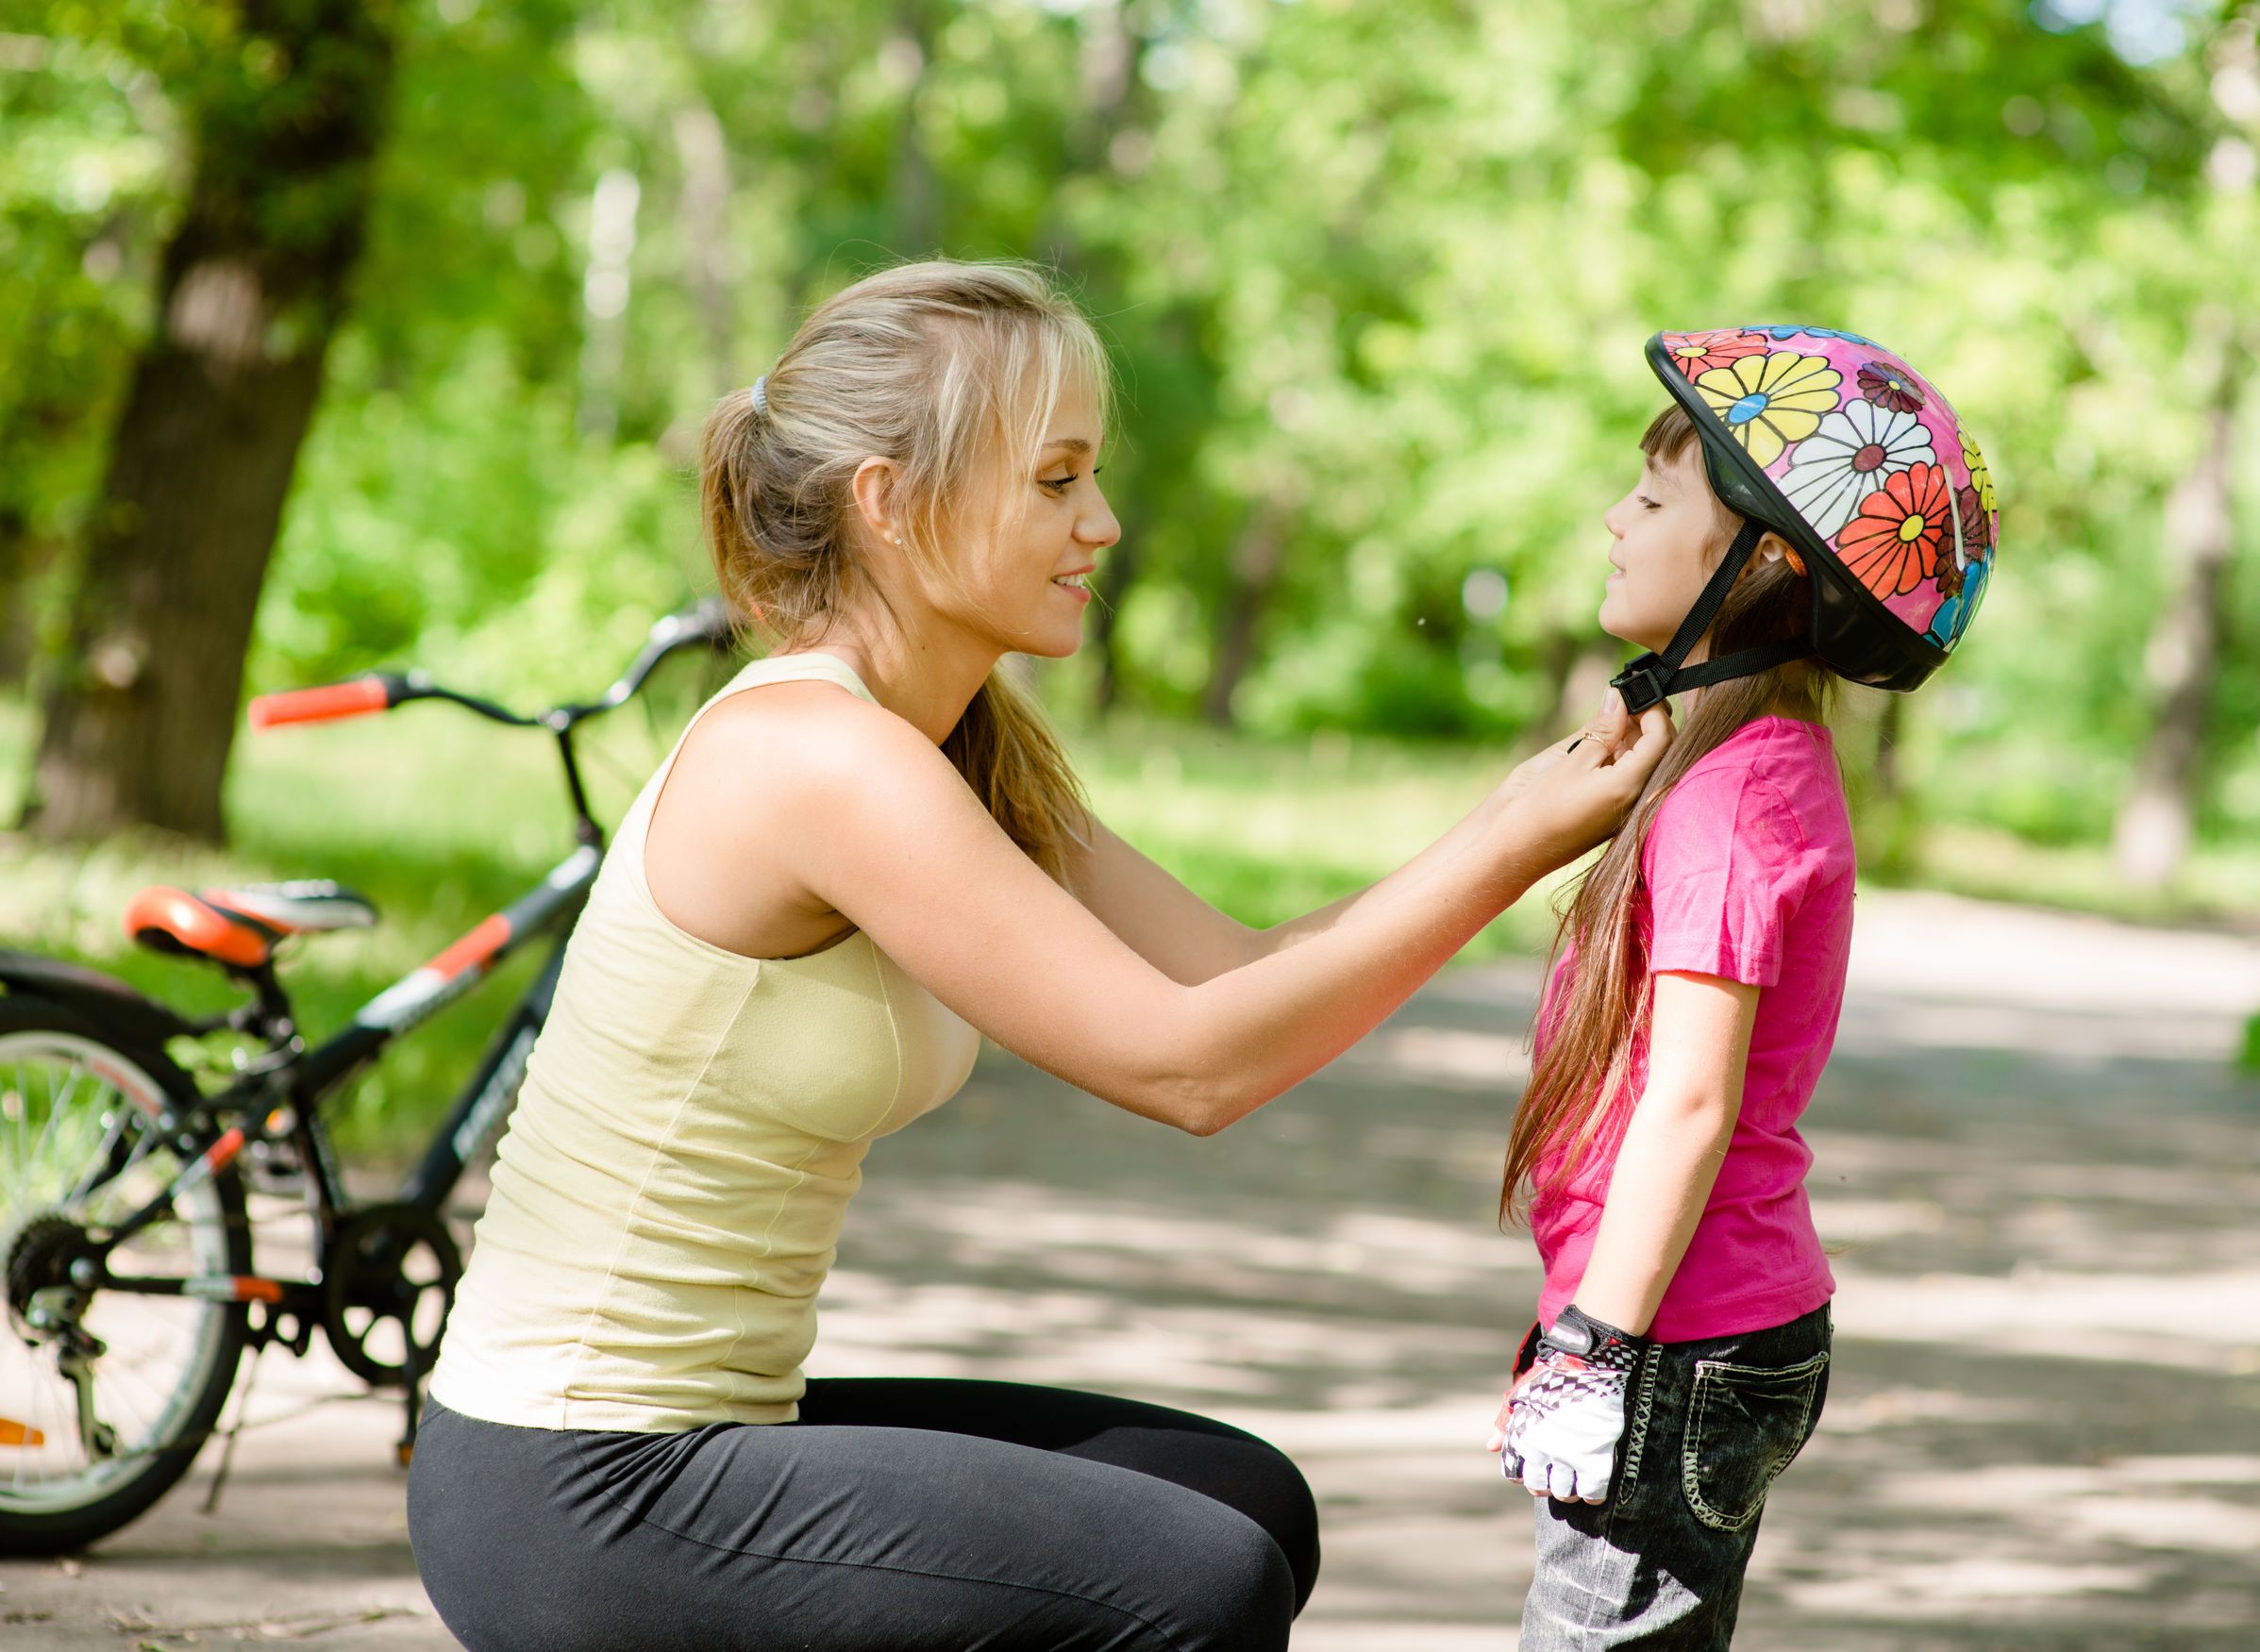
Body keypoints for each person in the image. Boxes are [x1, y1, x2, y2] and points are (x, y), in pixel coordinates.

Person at [406, 259, 1673, 1652]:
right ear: (889, 504)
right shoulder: (812, 757)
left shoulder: (954, 740)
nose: (1105, 523)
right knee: (1195, 1581)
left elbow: (1225, 974)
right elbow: (1189, 1071)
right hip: (574, 1480)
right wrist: (1508, 852)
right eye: (1057, 480)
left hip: (699, 1436)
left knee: (1239, 1497)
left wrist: (1511, 819)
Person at [1487, 325, 2000, 1648]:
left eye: (1654, 499)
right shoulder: (1747, 766)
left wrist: (1595, 1343)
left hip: (1673, 1340)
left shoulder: (1733, 799)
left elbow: (1690, 1102)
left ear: (1765, 561)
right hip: (1689, 1327)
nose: (1614, 515)